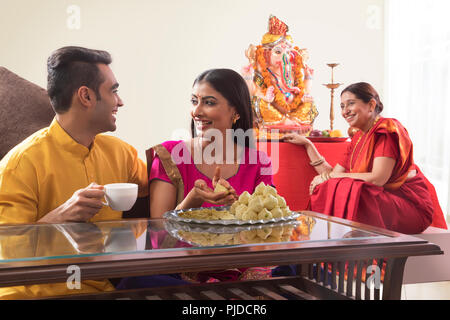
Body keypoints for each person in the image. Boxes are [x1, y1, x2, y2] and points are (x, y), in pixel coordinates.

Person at [0, 46, 148, 299]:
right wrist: (58, 217)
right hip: (31, 292)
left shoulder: (121, 153)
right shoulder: (20, 164)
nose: (120, 101)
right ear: (86, 96)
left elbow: (162, 184)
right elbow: (8, 254)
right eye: (113, 91)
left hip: (101, 288)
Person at [117, 69, 274, 289]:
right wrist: (194, 199)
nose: (196, 111)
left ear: (235, 110)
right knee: (138, 282)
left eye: (209, 102)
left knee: (299, 271)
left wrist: (238, 207)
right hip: (181, 268)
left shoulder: (259, 162)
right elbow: (159, 232)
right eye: (194, 101)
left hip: (242, 266)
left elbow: (269, 228)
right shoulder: (170, 155)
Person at [283, 82, 434, 234]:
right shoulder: (358, 137)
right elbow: (333, 174)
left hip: (411, 207)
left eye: (351, 104)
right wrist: (309, 146)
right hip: (383, 202)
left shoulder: (386, 131)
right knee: (330, 186)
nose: (345, 111)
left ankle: (346, 244)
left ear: (371, 105)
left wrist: (329, 177)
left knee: (359, 192)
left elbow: (377, 179)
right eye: (342, 106)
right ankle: (330, 239)